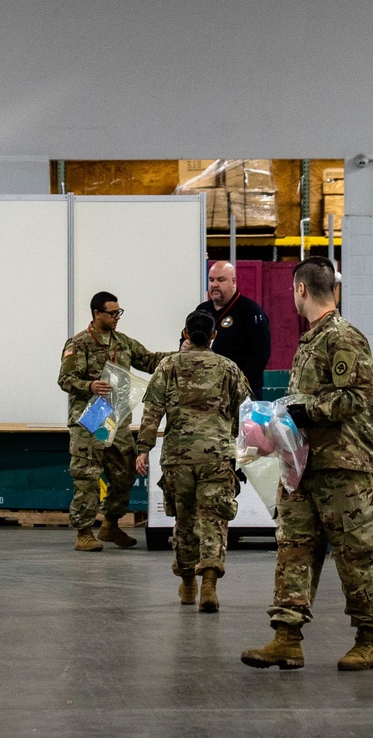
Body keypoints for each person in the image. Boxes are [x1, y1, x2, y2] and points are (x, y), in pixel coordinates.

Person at [241, 258, 373, 673]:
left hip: (343, 467)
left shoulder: (343, 337)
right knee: (293, 548)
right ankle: (287, 638)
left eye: (292, 291)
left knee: (354, 554)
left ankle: (367, 639)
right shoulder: (311, 340)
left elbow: (356, 397)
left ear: (301, 289)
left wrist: (305, 411)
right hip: (304, 467)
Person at [135, 309, 249, 613]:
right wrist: (240, 452)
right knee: (213, 519)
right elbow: (246, 414)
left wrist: (143, 449)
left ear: (186, 335)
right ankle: (209, 581)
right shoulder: (228, 368)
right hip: (217, 456)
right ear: (213, 335)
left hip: (178, 458)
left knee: (184, 522)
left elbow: (151, 412)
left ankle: (188, 583)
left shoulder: (168, 366)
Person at [58, 292, 172, 553]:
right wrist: (88, 385)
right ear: (97, 314)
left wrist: (182, 354)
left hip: (116, 418)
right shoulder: (79, 343)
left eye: (119, 312)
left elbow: (150, 360)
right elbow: (64, 379)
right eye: (112, 313)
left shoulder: (123, 342)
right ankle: (84, 532)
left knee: (125, 472)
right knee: (87, 475)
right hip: (91, 416)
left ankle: (110, 524)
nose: (117, 317)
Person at [194, 261, 271, 397]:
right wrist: (184, 345)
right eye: (211, 280)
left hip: (240, 396)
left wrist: (237, 384)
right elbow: (186, 339)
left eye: (221, 280)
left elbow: (260, 355)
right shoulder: (202, 310)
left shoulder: (251, 312)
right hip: (205, 395)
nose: (214, 284)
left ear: (233, 282)